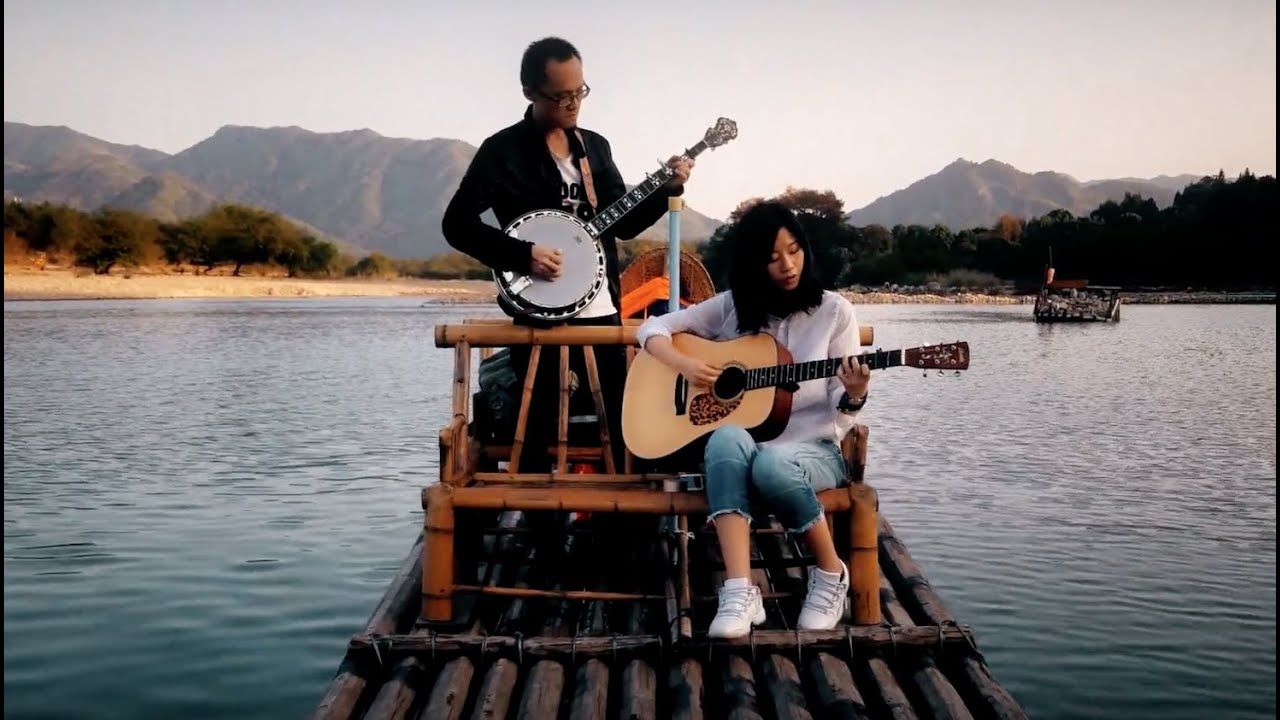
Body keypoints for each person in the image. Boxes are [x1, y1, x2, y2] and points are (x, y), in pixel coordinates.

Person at [442, 36, 694, 472]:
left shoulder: (595, 147)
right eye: (560, 96)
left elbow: (625, 222)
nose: (573, 104)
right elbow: (457, 224)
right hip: (540, 311)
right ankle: (542, 531)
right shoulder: (501, 151)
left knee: (619, 419)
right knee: (536, 426)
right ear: (530, 93)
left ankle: (620, 527)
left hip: (602, 310)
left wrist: (665, 189)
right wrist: (522, 255)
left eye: (579, 92)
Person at [634, 200, 872, 638]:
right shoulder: (731, 308)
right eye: (772, 256)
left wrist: (855, 394)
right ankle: (741, 589)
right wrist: (684, 365)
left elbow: (843, 408)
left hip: (814, 450)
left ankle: (830, 571)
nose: (787, 264)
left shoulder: (834, 311)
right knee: (725, 438)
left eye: (795, 250)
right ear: (751, 263)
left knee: (771, 464)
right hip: (748, 450)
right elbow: (650, 329)